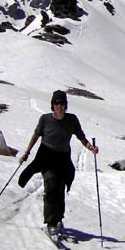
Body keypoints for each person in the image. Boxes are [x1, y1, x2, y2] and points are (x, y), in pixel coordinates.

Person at [18, 90, 98, 239]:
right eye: (57, 103)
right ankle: (50, 223)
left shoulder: (72, 120)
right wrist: (27, 152)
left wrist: (90, 147)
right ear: (52, 105)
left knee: (60, 188)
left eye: (62, 104)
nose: (59, 106)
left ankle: (58, 219)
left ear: (66, 106)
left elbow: (81, 137)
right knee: (51, 186)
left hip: (63, 158)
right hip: (46, 156)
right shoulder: (45, 119)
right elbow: (36, 136)